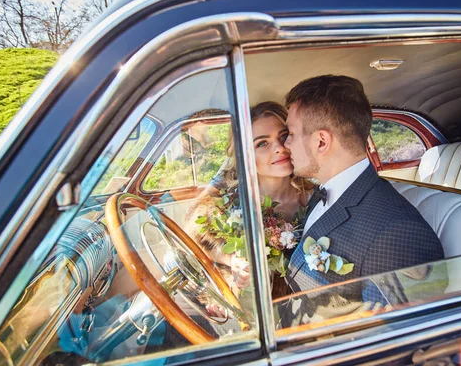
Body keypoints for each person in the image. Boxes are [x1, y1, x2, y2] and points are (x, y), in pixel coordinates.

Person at [283, 75, 445, 300]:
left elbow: (395, 330)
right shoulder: (323, 192)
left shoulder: (396, 235)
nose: (285, 144)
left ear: (321, 141)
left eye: (291, 134)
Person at [185, 101, 313, 299]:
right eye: (262, 143)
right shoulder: (227, 206)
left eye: (284, 136)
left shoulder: (318, 199)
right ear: (246, 156)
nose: (279, 148)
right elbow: (196, 243)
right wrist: (232, 260)